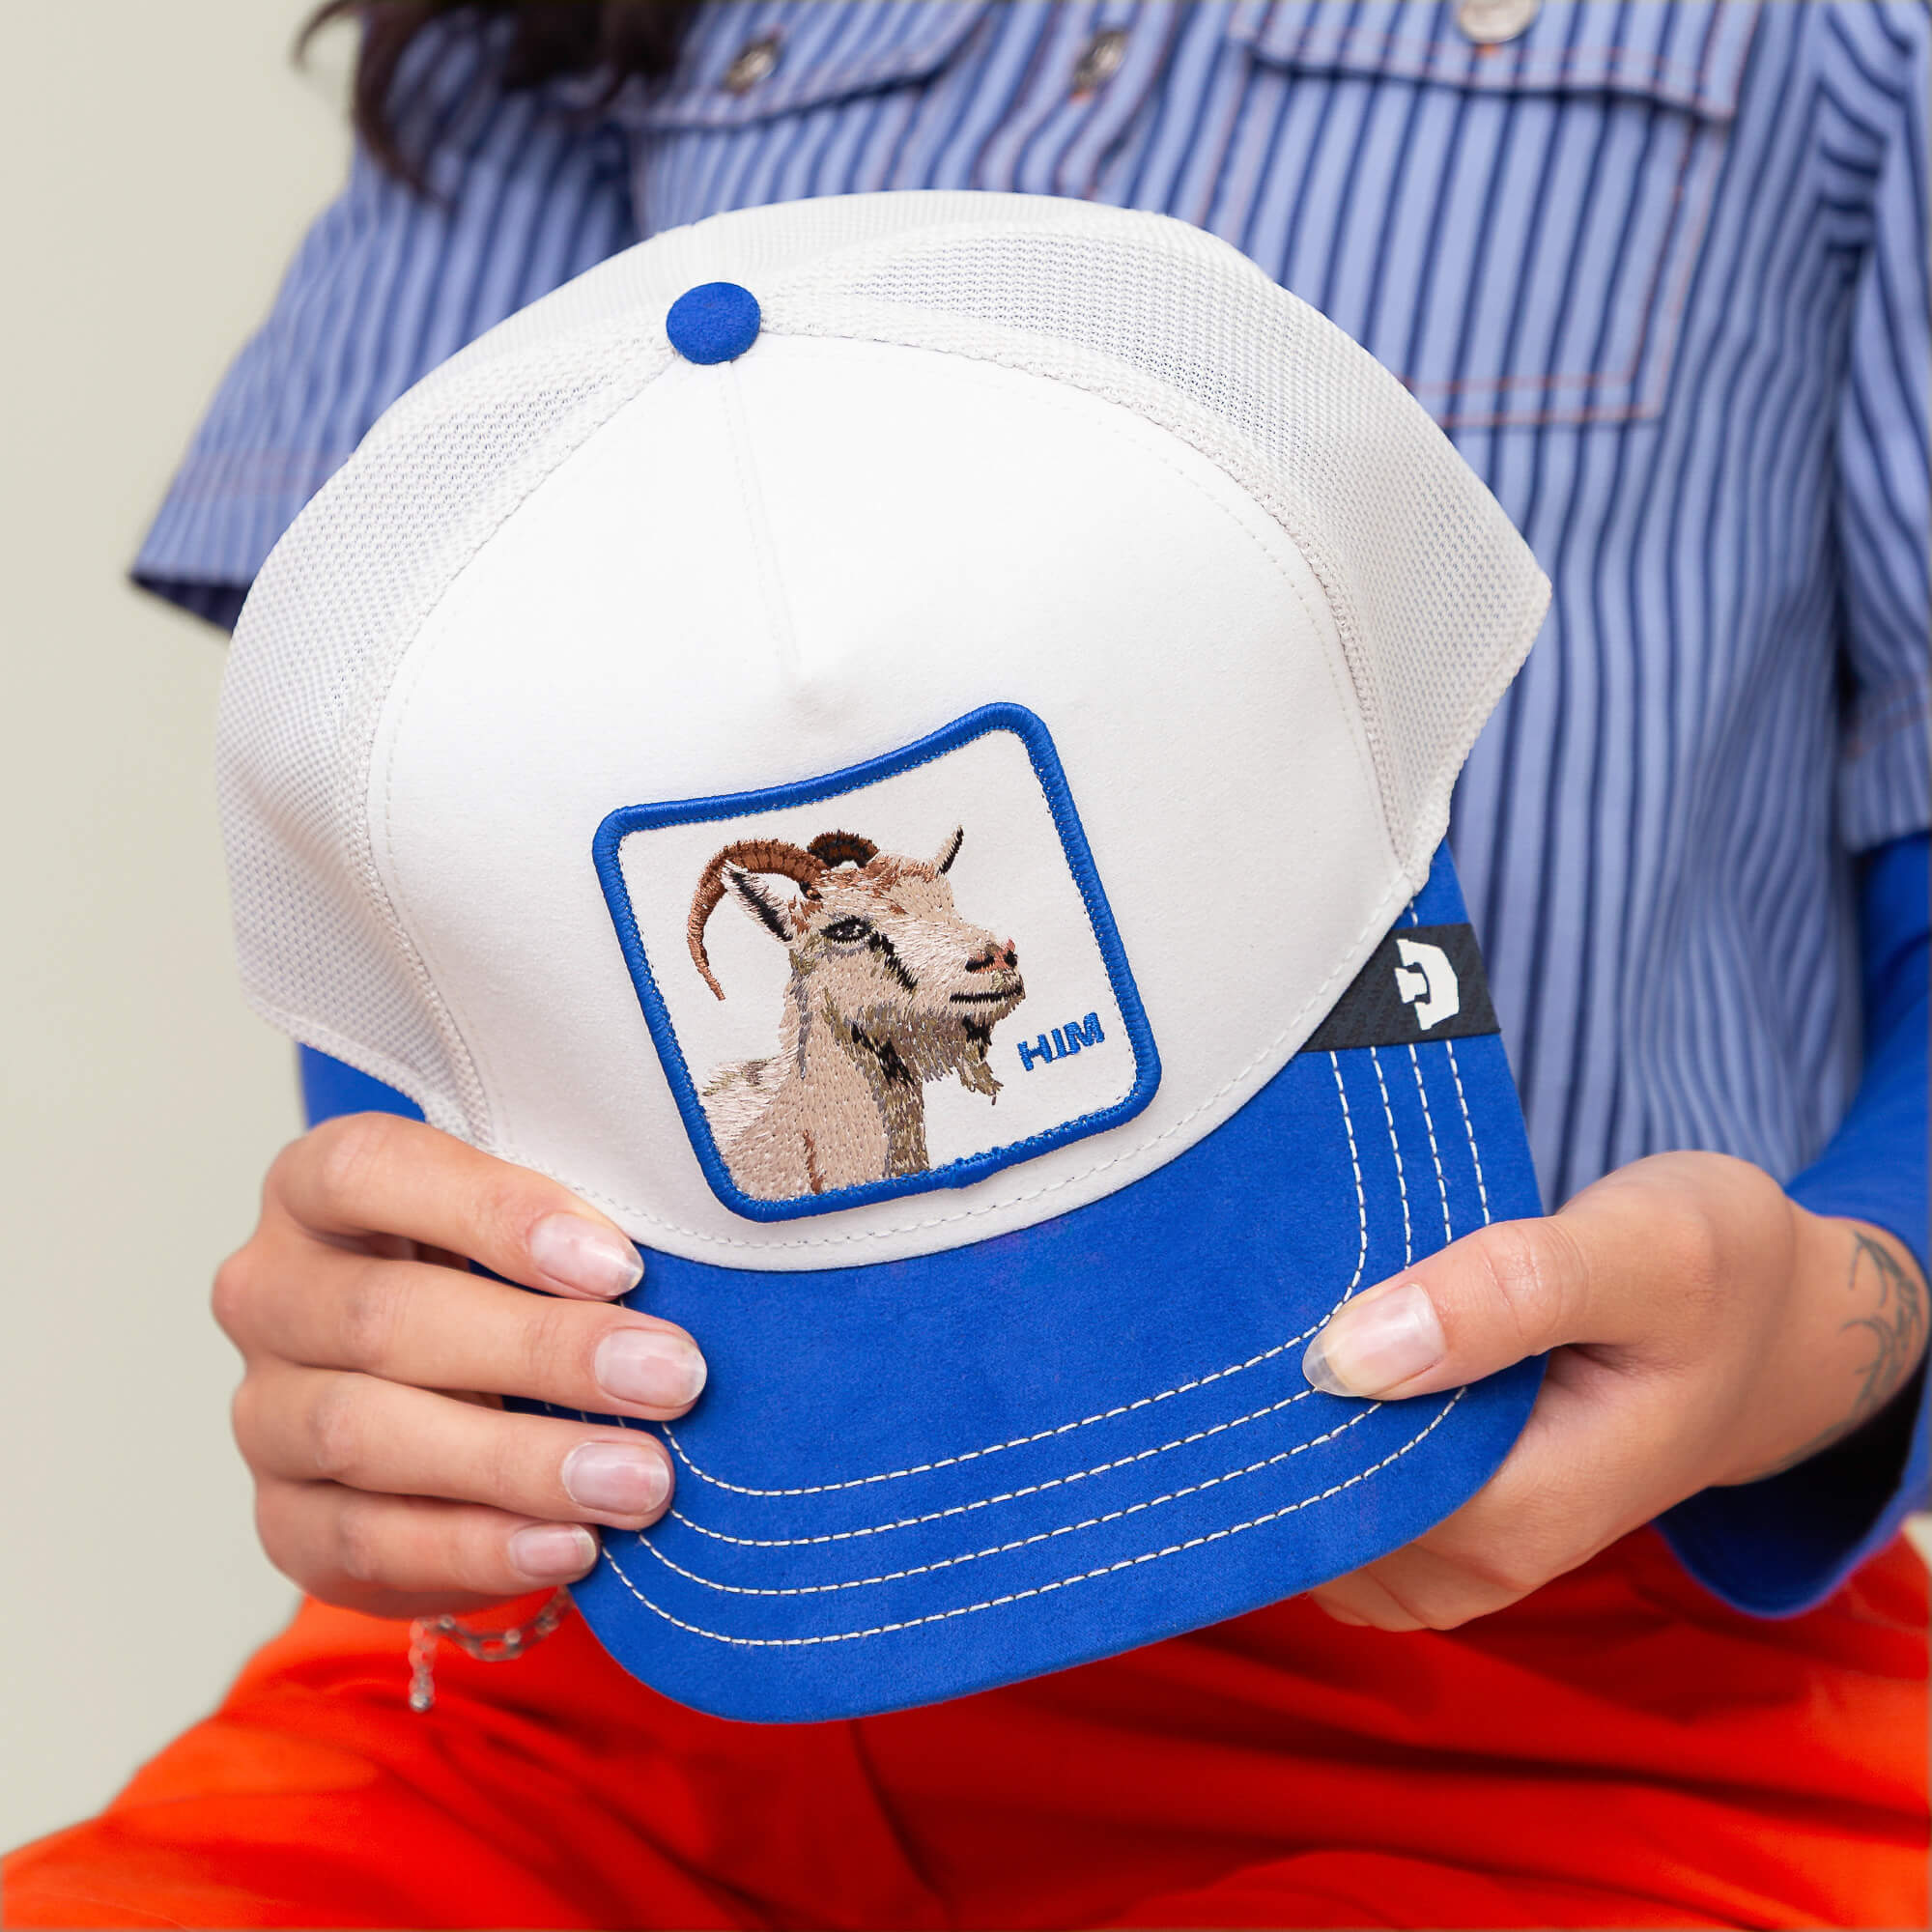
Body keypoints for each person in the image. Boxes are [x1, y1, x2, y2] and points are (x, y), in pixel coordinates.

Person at [8, 3, 1927, 1925]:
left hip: (1503, 1628)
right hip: (673, 1600)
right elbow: (394, 823)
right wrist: (388, 1336)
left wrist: (1841, 1306)